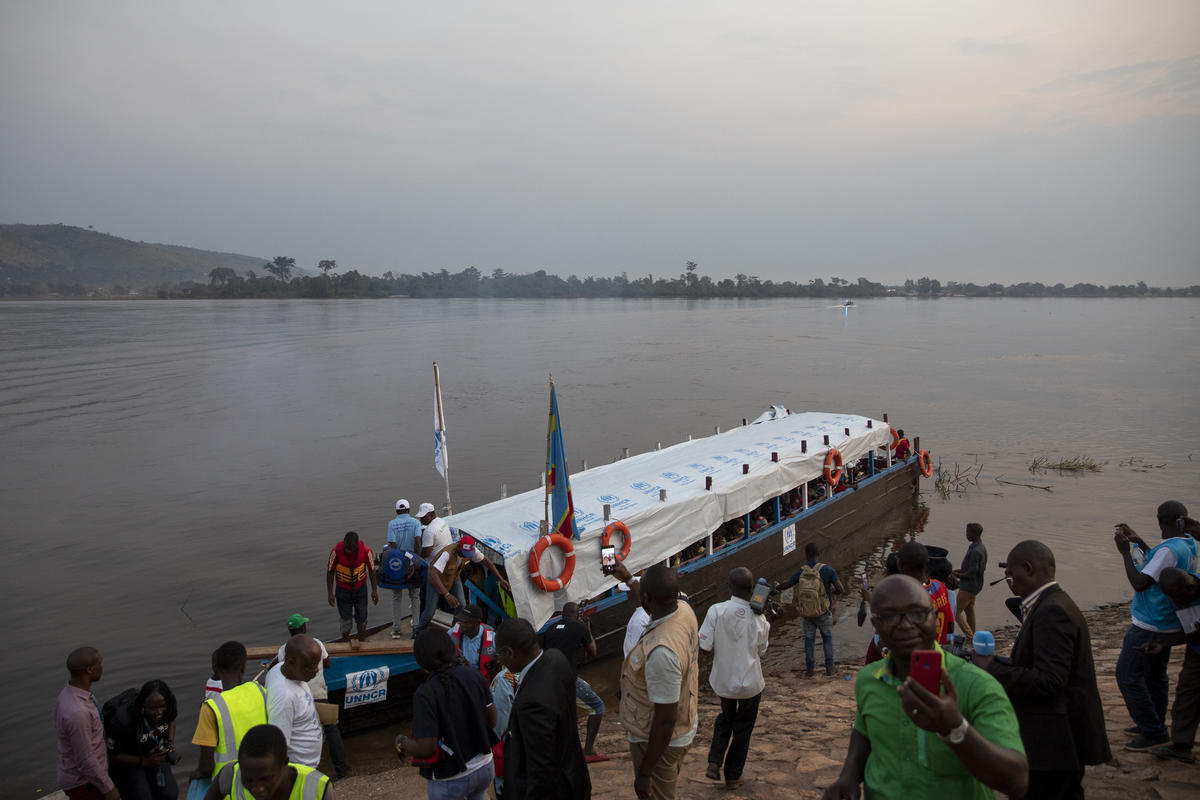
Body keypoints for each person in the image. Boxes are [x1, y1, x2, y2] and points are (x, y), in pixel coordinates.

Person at [821, 575, 1028, 800]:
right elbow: (864, 730)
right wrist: (849, 776)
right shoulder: (868, 679)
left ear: (934, 617)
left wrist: (955, 729)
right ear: (876, 625)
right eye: (890, 617)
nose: (906, 625)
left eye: (917, 613)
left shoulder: (976, 685)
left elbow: (1017, 780)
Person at [976, 540, 1110, 799]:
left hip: (1054, 743)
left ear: (1027, 568)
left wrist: (992, 667)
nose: (1011, 584)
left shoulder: (1052, 611)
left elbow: (1050, 681)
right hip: (1060, 740)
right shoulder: (1054, 602)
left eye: (1010, 577)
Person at [1114, 499, 1198, 750]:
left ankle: (1153, 730)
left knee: (1128, 676)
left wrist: (1125, 552)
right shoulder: (1188, 543)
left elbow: (1140, 582)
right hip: (1168, 621)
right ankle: (1153, 722)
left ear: (1160, 521)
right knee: (1154, 676)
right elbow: (1157, 564)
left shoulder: (1168, 550)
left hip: (1150, 622)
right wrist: (1138, 541)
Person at [619, 564, 699, 800]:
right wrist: (625, 577)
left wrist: (645, 772)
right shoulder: (684, 610)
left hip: (659, 740)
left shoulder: (662, 652)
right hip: (686, 718)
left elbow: (666, 720)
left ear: (646, 599)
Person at [494, 618, 591, 800]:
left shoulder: (531, 703)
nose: (499, 659)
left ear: (510, 652)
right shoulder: (556, 658)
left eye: (500, 654)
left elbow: (541, 770)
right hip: (575, 775)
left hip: (556, 790)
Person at [396, 629, 497, 800]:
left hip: (452, 777)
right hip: (484, 767)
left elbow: (426, 748)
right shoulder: (474, 674)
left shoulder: (426, 693)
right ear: (453, 650)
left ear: (421, 662)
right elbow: (492, 721)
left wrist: (402, 742)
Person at [699, 567, 770, 790]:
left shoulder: (716, 611)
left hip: (724, 679)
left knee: (725, 718)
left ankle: (714, 760)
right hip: (750, 682)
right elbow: (762, 651)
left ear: (731, 586)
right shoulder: (760, 618)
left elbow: (705, 645)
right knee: (744, 727)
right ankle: (732, 774)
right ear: (752, 590)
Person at [275, 615, 350, 780]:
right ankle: (342, 768)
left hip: (300, 698)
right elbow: (328, 663)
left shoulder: (283, 650)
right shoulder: (316, 643)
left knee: (303, 733)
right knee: (331, 730)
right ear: (303, 629)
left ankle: (308, 772)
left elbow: (282, 669)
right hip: (319, 694)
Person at [191, 641, 267, 783]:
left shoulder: (210, 708)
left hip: (229, 787)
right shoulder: (260, 691)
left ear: (215, 668)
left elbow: (206, 767)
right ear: (243, 668)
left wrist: (197, 774)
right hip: (264, 779)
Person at [1146, 567, 1200, 764]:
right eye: (1172, 598)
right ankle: (1181, 744)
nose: (1175, 602)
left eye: (1178, 597)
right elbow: (1191, 631)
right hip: (1197, 651)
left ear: (1190, 588)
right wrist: (1163, 644)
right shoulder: (1179, 594)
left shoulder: (1186, 588)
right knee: (1187, 693)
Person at [542, 601, 608, 762]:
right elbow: (593, 652)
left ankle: (557, 751)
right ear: (578, 615)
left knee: (562, 714)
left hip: (548, 679)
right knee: (597, 707)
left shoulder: (550, 629)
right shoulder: (580, 628)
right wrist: (588, 631)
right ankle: (588, 751)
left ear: (562, 614)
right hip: (567, 679)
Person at [203, 723, 333, 800]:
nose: (257, 788)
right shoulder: (231, 775)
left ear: (285, 762)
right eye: (248, 780)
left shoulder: (318, 788)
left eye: (265, 779)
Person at [55, 646, 118, 800]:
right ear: (89, 670)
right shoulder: (78, 712)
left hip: (89, 778)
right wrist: (108, 788)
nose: (102, 667)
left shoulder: (68, 693)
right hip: (85, 784)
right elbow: (85, 759)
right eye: (100, 664)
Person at [417, 535, 509, 634]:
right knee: (430, 611)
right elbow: (434, 573)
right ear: (459, 548)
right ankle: (418, 631)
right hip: (436, 579)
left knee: (461, 606)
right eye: (465, 553)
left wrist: (501, 579)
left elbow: (486, 562)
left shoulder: (472, 550)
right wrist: (446, 594)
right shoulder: (447, 553)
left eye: (469, 554)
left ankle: (454, 632)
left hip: (453, 576)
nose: (467, 556)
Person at [105, 679, 180, 800]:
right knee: (142, 797)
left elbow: (171, 721)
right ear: (142, 707)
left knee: (169, 794)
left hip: (151, 752)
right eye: (153, 708)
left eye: (162, 707)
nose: (159, 712)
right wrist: (144, 762)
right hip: (126, 759)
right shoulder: (123, 722)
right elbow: (113, 756)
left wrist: (169, 743)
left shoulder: (169, 705)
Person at [777, 542, 844, 676]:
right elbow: (840, 589)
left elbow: (788, 584)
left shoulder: (800, 571)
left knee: (809, 640)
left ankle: (810, 670)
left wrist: (777, 587)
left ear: (806, 555)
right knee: (827, 638)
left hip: (807, 613)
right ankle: (830, 668)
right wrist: (830, 592)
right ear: (818, 554)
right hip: (823, 612)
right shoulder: (828, 570)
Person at [265, 635, 324, 768]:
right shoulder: (284, 697)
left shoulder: (280, 669)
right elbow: (279, 746)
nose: (316, 671)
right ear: (291, 662)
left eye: (317, 664)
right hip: (299, 769)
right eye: (309, 666)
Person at [325, 531, 378, 646]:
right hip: (343, 589)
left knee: (362, 617)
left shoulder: (366, 551)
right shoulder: (336, 551)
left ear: (356, 547)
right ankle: (344, 643)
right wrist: (330, 593)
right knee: (345, 618)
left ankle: (362, 641)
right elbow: (330, 572)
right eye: (346, 548)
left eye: (351, 549)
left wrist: (374, 590)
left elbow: (372, 570)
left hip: (360, 588)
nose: (348, 551)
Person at [384, 499, 426, 639]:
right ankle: (416, 628)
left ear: (397, 511)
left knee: (396, 596)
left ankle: (396, 629)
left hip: (398, 565)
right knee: (414, 596)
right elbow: (417, 542)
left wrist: (400, 564)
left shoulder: (392, 524)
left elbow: (392, 544)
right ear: (408, 510)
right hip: (412, 562)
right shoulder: (415, 522)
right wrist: (414, 563)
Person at [897, 540, 953, 644]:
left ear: (901, 564)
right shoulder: (940, 586)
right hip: (939, 652)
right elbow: (950, 628)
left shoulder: (907, 596)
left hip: (917, 656)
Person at [954, 523, 987, 638]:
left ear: (973, 534)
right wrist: (956, 572)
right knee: (969, 610)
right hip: (976, 586)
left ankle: (970, 636)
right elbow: (973, 569)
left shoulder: (975, 551)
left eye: (967, 532)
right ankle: (973, 634)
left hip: (968, 587)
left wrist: (957, 575)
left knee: (955, 612)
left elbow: (971, 573)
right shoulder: (981, 548)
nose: (966, 534)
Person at [612, 561, 651, 658]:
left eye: (629, 591)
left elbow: (637, 653)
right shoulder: (649, 610)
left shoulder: (639, 620)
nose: (627, 594)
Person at [448, 605, 497, 680]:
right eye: (461, 621)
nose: (461, 625)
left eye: (466, 622)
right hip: (458, 681)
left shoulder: (493, 638)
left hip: (482, 683)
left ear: (478, 622)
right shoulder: (451, 634)